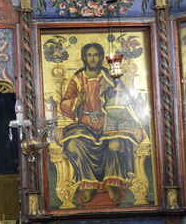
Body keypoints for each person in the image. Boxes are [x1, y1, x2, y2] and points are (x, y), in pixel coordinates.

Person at [58, 42, 146, 204]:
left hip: (107, 122)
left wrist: (114, 97)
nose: (92, 59)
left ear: (100, 58)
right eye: (89, 55)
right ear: (84, 57)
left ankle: (111, 183)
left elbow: (124, 98)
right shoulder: (77, 79)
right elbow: (64, 103)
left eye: (96, 55)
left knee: (114, 144)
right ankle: (89, 184)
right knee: (74, 144)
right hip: (84, 124)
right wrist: (78, 100)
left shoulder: (109, 77)